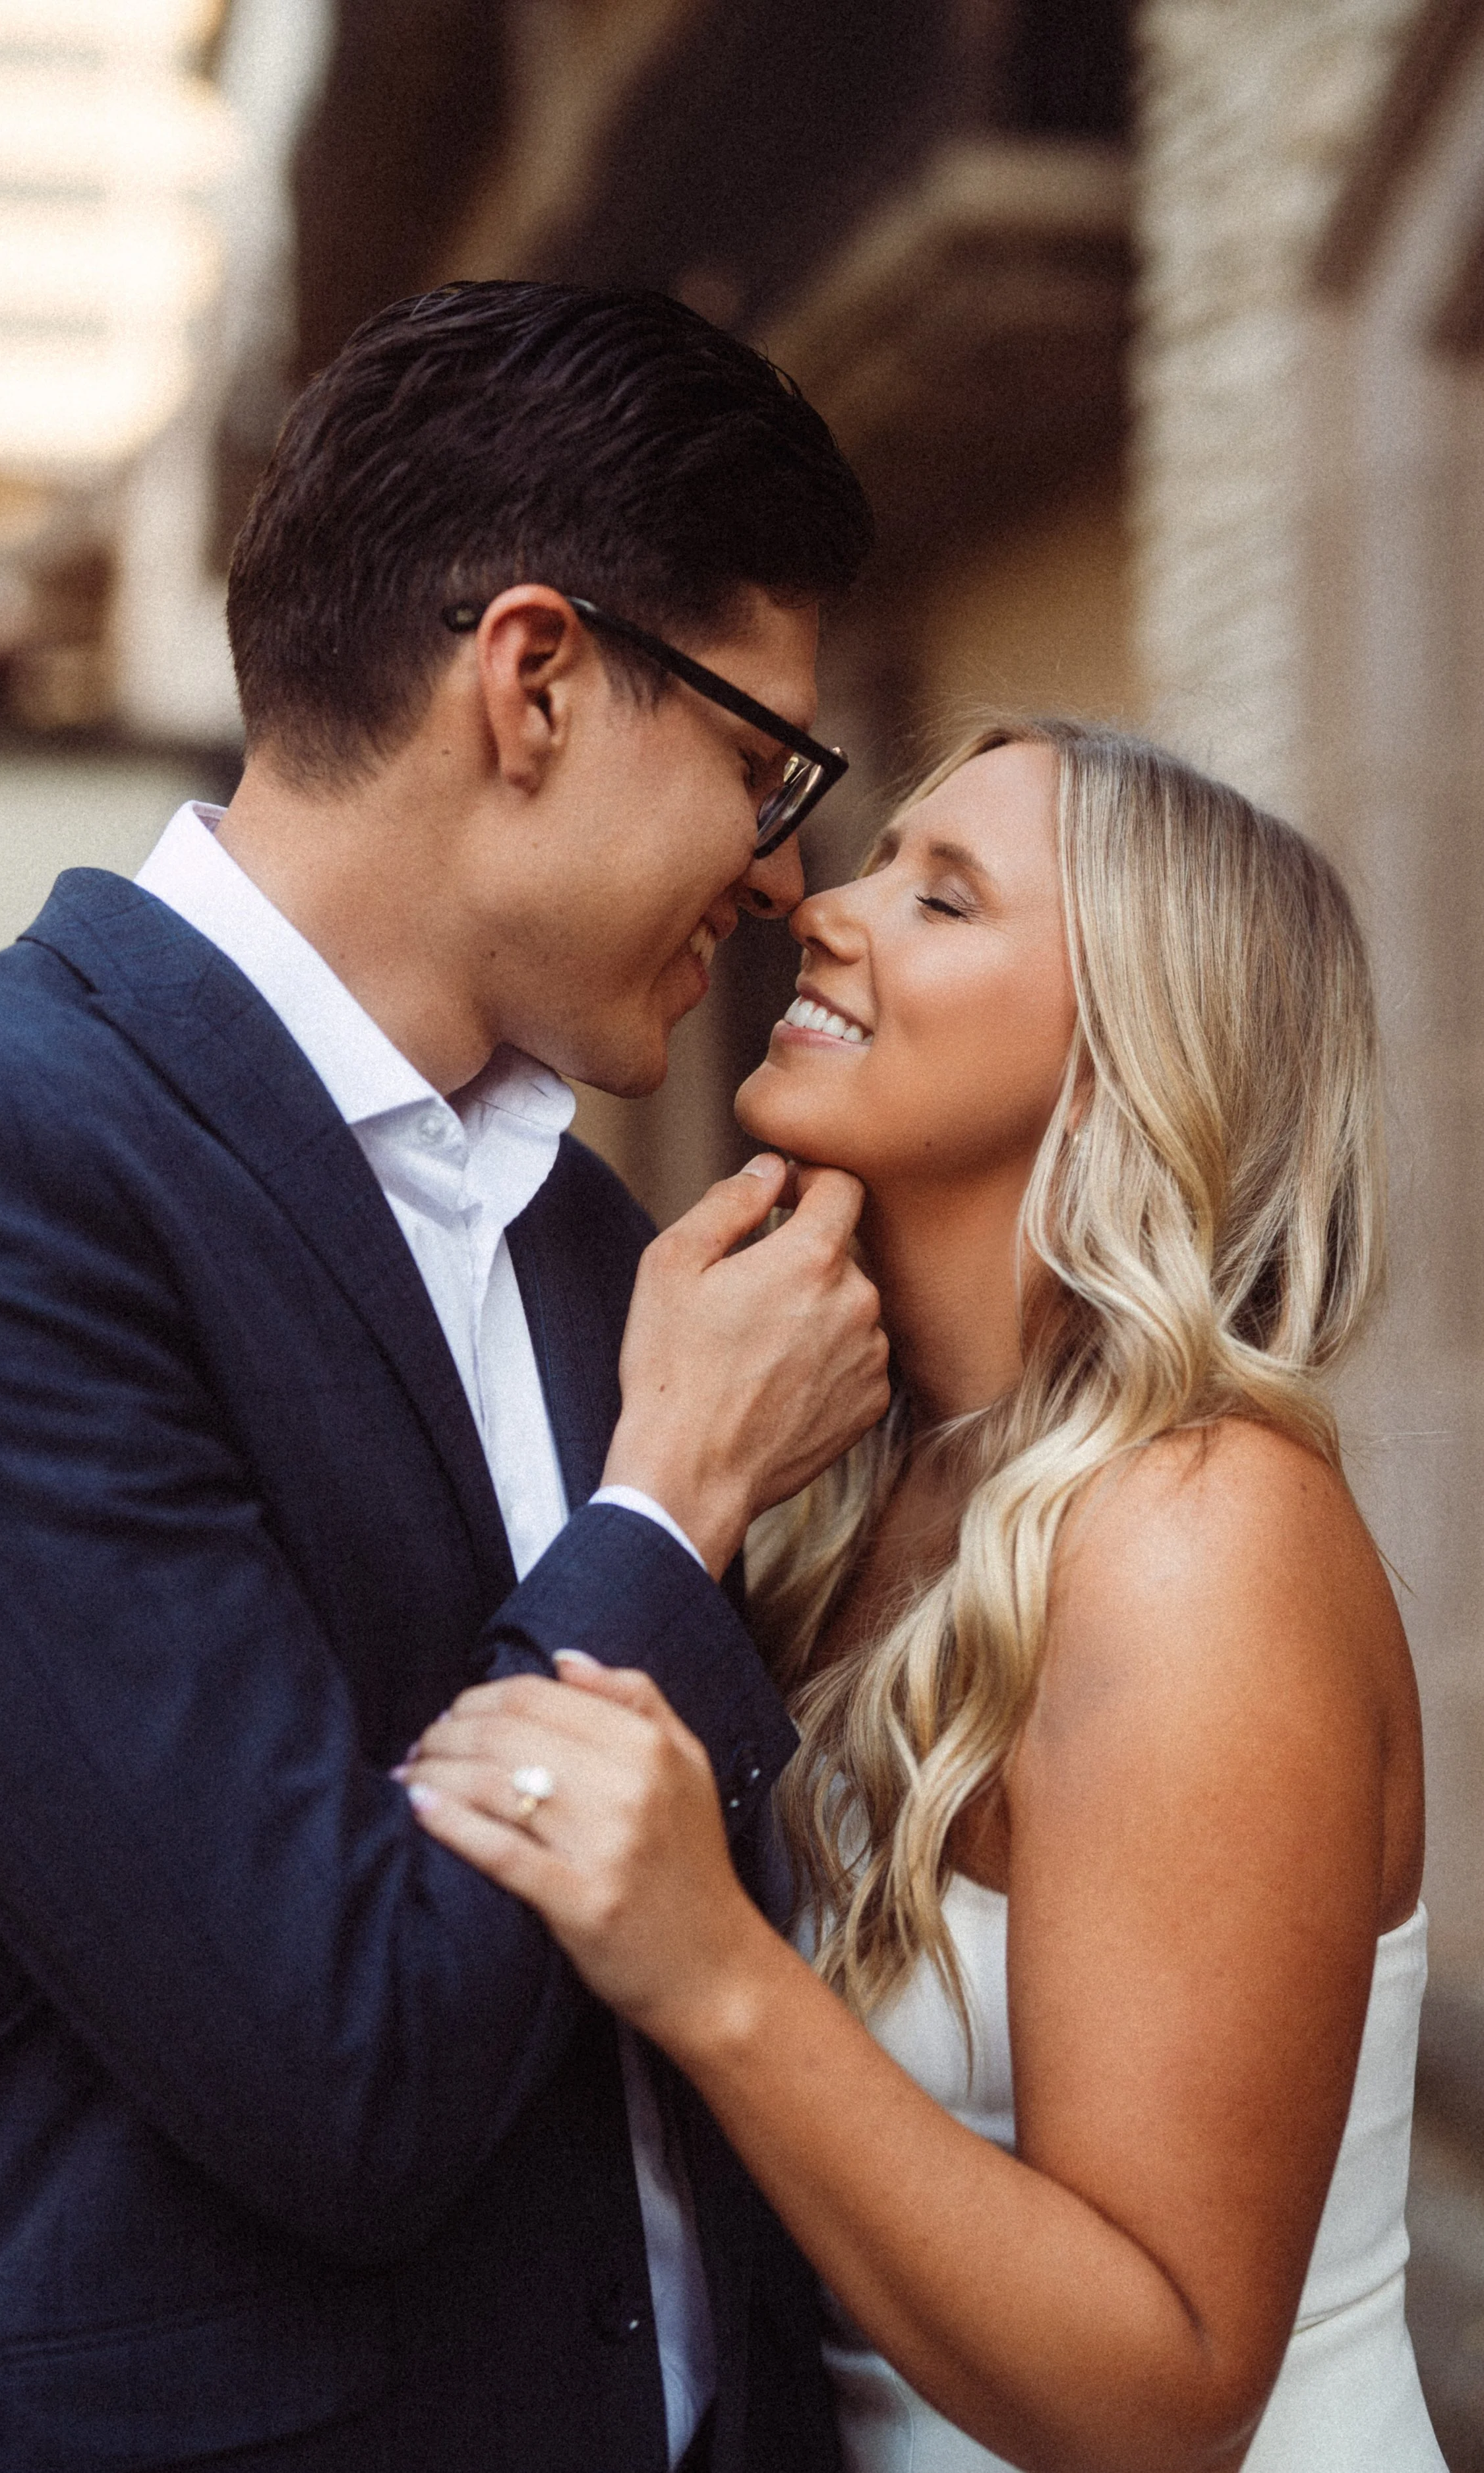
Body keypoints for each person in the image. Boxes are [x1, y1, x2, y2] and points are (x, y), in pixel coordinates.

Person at [0, 284, 892, 2473]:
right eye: (757, 759)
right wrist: (669, 1506)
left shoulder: (601, 1247)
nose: (784, 870)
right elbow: (337, 2062)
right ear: (531, 680)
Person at [403, 718, 1447, 2473]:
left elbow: (1168, 2391)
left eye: (941, 895)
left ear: (1122, 1061)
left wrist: (715, 1970)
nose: (823, 909)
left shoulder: (1196, 1531)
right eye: (880, 859)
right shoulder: (852, 1489)